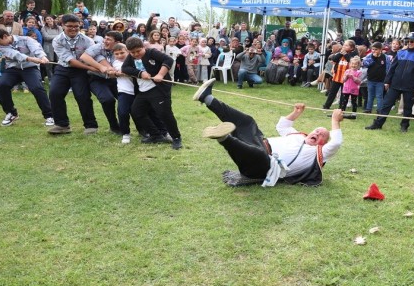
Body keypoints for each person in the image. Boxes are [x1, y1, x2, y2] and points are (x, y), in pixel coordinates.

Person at [193, 78, 344, 187]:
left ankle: (223, 137)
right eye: (317, 131)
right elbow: (282, 126)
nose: (317, 134)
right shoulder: (298, 136)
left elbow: (336, 142)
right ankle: (207, 98)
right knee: (248, 122)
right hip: (260, 142)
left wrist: (335, 120)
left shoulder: (318, 153)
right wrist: (296, 113)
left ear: (323, 143)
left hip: (266, 166)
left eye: (322, 135)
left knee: (258, 154)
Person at [121, 37, 182, 149]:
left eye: (138, 51)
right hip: (143, 91)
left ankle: (176, 138)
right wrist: (140, 73)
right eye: (132, 52)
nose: (136, 54)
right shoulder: (131, 57)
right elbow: (124, 68)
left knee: (164, 114)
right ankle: (156, 135)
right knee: (136, 112)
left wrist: (160, 74)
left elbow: (168, 60)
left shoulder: (152, 52)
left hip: (158, 89)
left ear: (143, 47)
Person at [0, 27, 54, 127]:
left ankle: (49, 116)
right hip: (13, 69)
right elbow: (15, 54)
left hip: (30, 68)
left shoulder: (26, 39)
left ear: (5, 36)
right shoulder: (1, 47)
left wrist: (42, 57)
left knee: (37, 88)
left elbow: (36, 48)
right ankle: (11, 113)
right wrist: (31, 58)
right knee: (2, 85)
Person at [365, 32, 414, 133]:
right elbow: (392, 69)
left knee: (408, 107)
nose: (409, 43)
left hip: (410, 86)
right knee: (386, 105)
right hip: (395, 84)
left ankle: (404, 126)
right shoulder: (400, 53)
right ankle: (378, 124)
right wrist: (387, 81)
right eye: (407, 41)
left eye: (412, 41)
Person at [48, 14, 99, 135]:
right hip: (63, 68)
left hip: (80, 72)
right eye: (70, 26)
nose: (73, 29)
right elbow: (70, 60)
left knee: (82, 96)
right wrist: (90, 68)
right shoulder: (57, 40)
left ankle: (91, 126)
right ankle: (62, 125)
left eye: (76, 26)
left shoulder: (88, 40)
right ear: (62, 25)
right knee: (55, 93)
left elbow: (93, 56)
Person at [79, 31, 124, 135]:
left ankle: (142, 128)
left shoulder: (121, 49)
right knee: (107, 100)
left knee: (126, 100)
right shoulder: (98, 47)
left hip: (115, 79)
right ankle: (114, 127)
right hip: (97, 79)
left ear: (117, 42)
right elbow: (84, 57)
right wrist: (101, 67)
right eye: (105, 38)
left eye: (109, 39)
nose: (105, 41)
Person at [362, 42, 390, 114]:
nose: (374, 51)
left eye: (376, 49)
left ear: (380, 49)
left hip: (380, 80)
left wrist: (387, 80)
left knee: (379, 96)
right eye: (373, 49)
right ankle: (368, 109)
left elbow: (388, 69)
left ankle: (379, 110)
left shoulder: (385, 57)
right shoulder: (369, 56)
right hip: (371, 79)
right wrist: (373, 58)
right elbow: (365, 64)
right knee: (370, 95)